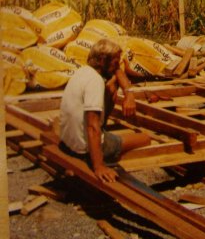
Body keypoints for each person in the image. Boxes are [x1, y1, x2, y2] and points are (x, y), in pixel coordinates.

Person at [59, 38, 150, 183]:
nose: (117, 66)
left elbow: (118, 72)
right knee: (145, 138)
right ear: (102, 60)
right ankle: (102, 149)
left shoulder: (82, 72)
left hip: (69, 142)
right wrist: (99, 166)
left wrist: (128, 93)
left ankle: (102, 135)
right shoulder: (95, 82)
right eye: (115, 62)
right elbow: (92, 126)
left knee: (112, 87)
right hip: (85, 148)